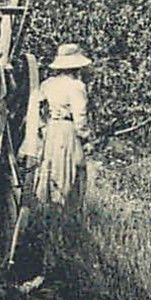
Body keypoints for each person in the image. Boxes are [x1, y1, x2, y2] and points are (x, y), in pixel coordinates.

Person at [29, 42, 93, 209]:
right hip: (67, 130)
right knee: (71, 167)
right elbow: (80, 117)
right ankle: (67, 208)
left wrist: (42, 126)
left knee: (49, 165)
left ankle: (48, 205)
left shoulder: (48, 84)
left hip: (51, 129)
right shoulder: (77, 87)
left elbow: (35, 107)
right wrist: (86, 139)